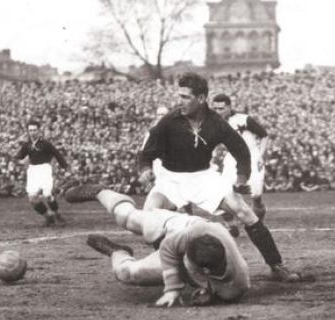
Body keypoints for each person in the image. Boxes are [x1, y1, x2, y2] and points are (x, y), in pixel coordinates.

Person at [137, 72, 300, 282]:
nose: (181, 101)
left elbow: (241, 150)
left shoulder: (216, 123)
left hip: (203, 177)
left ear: (202, 98)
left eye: (186, 97)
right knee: (148, 216)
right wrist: (144, 169)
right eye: (180, 96)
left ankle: (276, 265)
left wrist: (242, 178)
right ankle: (174, 271)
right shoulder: (169, 121)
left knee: (243, 210)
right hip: (171, 178)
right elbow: (146, 152)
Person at [63, 183, 249, 307]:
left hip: (191, 263)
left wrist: (207, 295)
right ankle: (100, 191)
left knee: (126, 273)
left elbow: (220, 293)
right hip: (179, 226)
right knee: (128, 218)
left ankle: (118, 252)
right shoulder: (197, 233)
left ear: (205, 272)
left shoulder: (236, 285)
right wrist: (172, 289)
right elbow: (169, 248)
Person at [211, 93, 270, 237]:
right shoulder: (214, 123)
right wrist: (212, 157)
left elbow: (264, 135)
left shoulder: (243, 119)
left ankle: (257, 225)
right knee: (220, 194)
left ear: (229, 107)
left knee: (256, 196)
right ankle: (232, 226)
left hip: (252, 156)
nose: (218, 112)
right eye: (216, 108)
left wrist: (260, 155)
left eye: (221, 108)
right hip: (231, 159)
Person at [15, 119, 69, 226]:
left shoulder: (46, 144)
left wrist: (65, 167)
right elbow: (20, 156)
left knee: (47, 195)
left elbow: (57, 155)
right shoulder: (27, 145)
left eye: (35, 130)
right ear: (28, 131)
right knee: (32, 199)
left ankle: (57, 215)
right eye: (30, 130)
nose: (32, 132)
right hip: (33, 171)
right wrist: (17, 160)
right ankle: (48, 216)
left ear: (39, 131)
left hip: (45, 169)